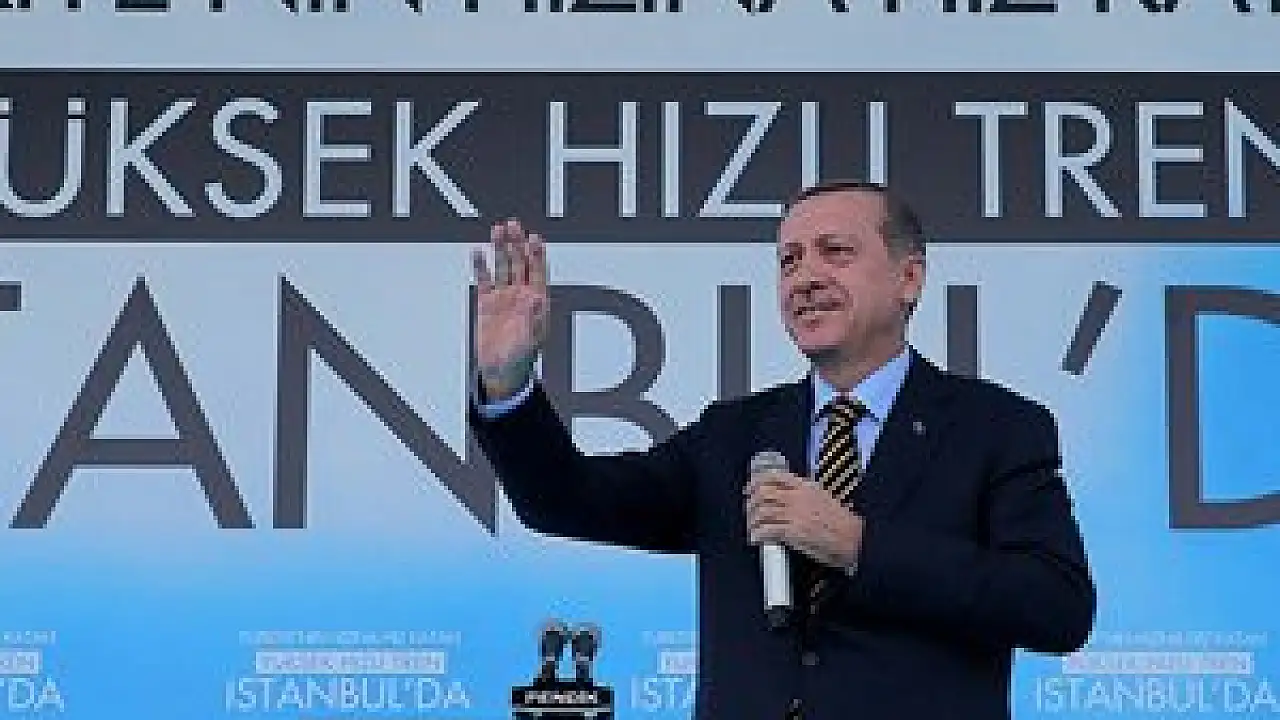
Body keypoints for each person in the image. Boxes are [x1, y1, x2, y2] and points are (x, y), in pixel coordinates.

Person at [467, 179, 1096, 720]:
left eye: (836, 252)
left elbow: (1056, 607)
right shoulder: (733, 436)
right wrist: (507, 382)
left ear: (909, 278)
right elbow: (564, 500)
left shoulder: (997, 429)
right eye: (789, 260)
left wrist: (859, 545)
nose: (806, 277)